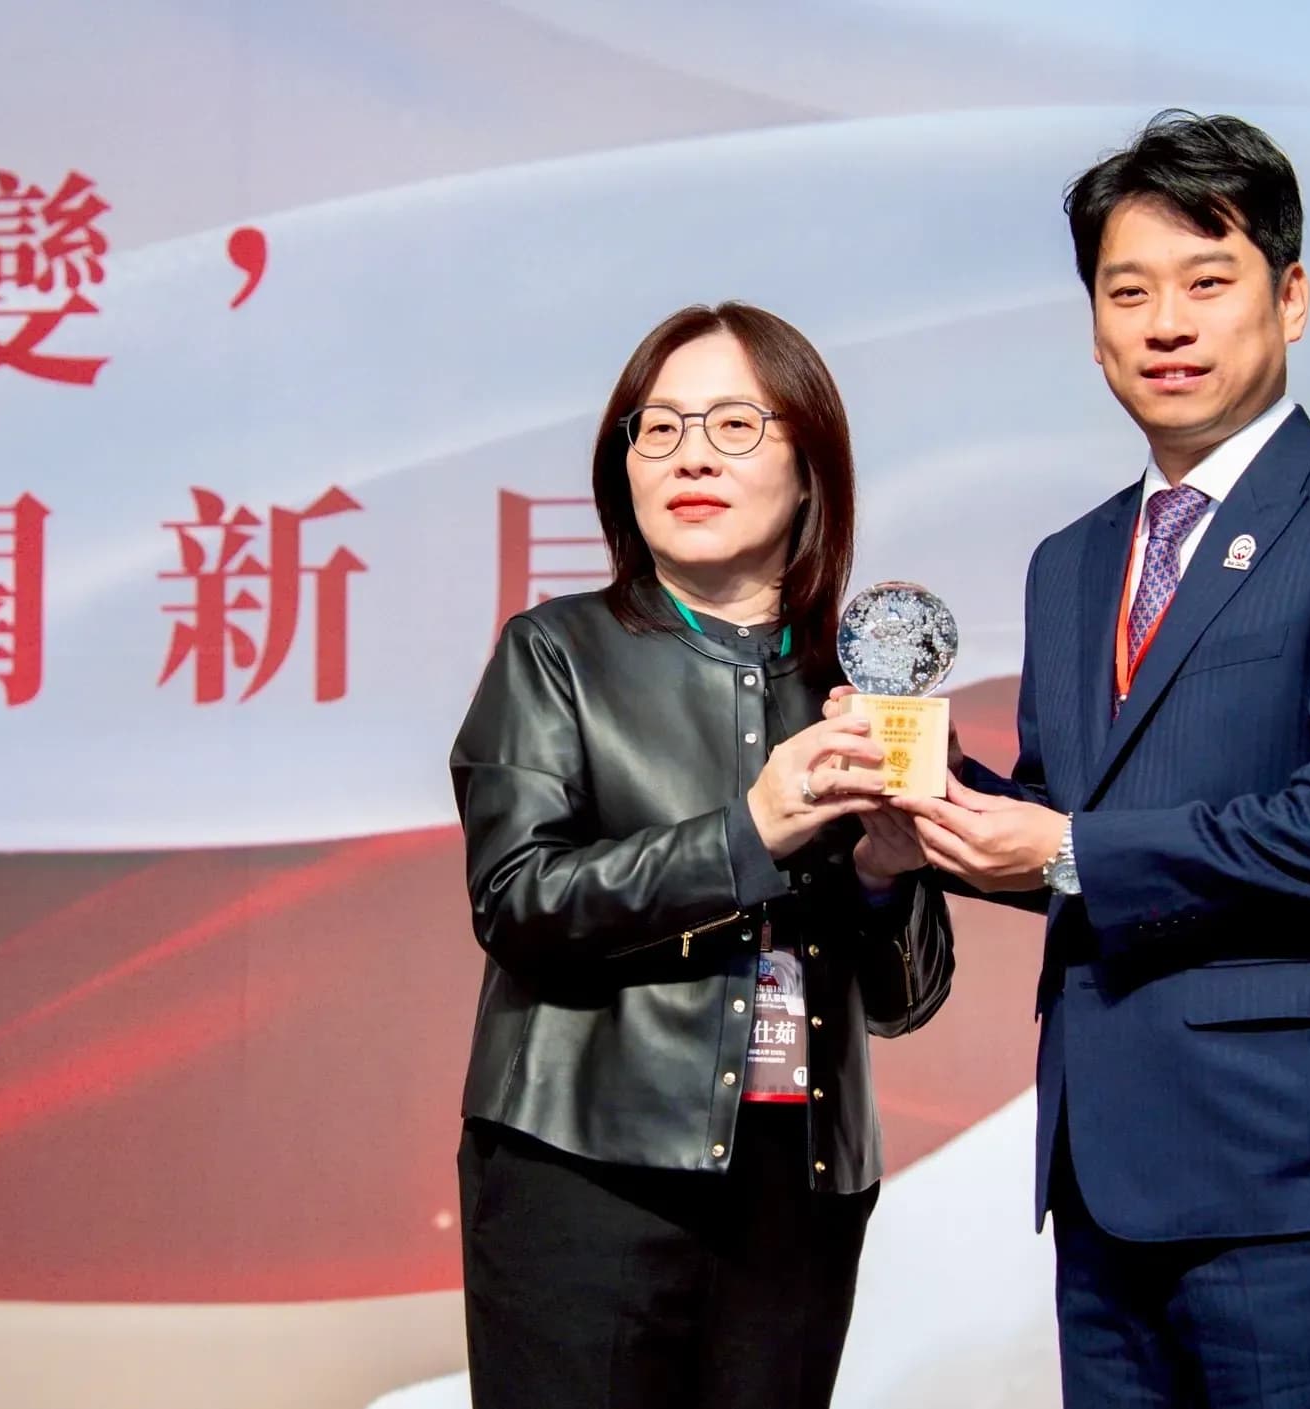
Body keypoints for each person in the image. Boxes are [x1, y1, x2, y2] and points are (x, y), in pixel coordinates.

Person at [896, 111, 1310, 1407]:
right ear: (1092, 319)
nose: (1167, 323)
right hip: (1105, 1172)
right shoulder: (1072, 561)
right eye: (1128, 289)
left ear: (1292, 297)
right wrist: (925, 816)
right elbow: (1066, 833)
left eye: (1208, 283)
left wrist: (1061, 846)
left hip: (1297, 1179)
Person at [449, 301, 954, 1409]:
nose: (690, 456)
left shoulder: (853, 687)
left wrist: (883, 877)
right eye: (659, 427)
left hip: (800, 1181)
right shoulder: (557, 652)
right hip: (585, 1170)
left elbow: (905, 997)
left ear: (810, 465)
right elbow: (519, 899)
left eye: (735, 426)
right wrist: (751, 830)